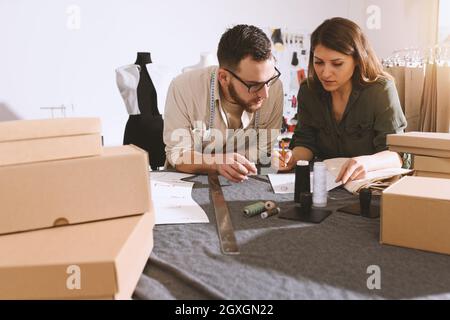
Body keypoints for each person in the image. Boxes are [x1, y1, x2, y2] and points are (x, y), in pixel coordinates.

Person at [275, 17, 408, 184]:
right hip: (326, 184)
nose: (325, 73)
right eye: (318, 62)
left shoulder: (380, 90)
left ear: (358, 60)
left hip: (369, 186)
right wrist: (291, 157)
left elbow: (396, 155)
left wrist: (365, 162)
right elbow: (305, 142)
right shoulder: (308, 91)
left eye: (337, 64)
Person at [164, 24, 283, 182]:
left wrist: (276, 158)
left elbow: (264, 153)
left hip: (246, 183)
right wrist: (217, 162)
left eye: (269, 80)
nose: (265, 94)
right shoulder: (183, 87)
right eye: (254, 85)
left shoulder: (274, 88)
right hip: (188, 185)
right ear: (224, 77)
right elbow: (178, 154)